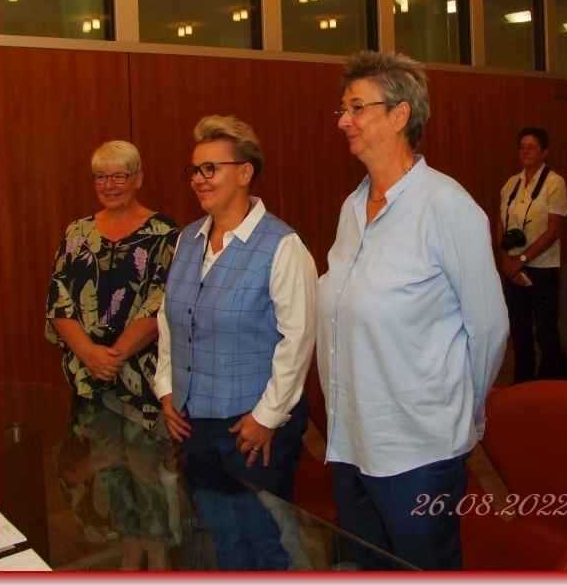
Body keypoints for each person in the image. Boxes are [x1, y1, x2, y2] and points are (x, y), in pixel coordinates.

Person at [317, 51, 509, 570]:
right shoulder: (352, 207)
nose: (343, 121)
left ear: (400, 114)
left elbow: (489, 328)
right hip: (353, 439)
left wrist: (460, 413)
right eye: (342, 109)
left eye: (357, 108)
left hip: (419, 449)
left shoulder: (446, 206)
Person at [153, 115, 317, 570]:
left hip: (254, 426)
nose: (199, 179)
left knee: (267, 543)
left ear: (245, 172)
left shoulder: (283, 245)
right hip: (195, 424)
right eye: (194, 170)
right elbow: (170, 320)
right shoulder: (187, 240)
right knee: (221, 538)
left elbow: (298, 339)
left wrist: (267, 417)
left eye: (211, 168)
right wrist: (166, 388)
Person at [46, 140, 179, 569]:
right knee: (107, 467)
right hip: (91, 378)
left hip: (142, 379)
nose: (110, 184)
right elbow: (59, 302)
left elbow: (162, 302)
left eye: (119, 175)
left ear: (138, 178)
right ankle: (129, 550)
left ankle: (158, 557)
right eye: (101, 176)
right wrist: (90, 354)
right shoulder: (77, 233)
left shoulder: (165, 234)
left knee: (147, 469)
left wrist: (115, 355)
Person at [496, 127, 567, 382]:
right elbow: (501, 223)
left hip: (542, 267)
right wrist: (506, 261)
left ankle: (556, 383)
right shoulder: (511, 184)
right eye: (522, 147)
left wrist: (522, 260)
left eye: (531, 147)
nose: (525, 152)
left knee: (545, 331)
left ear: (544, 152)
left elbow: (553, 230)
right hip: (512, 268)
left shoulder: (554, 183)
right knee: (519, 331)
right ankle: (523, 383)